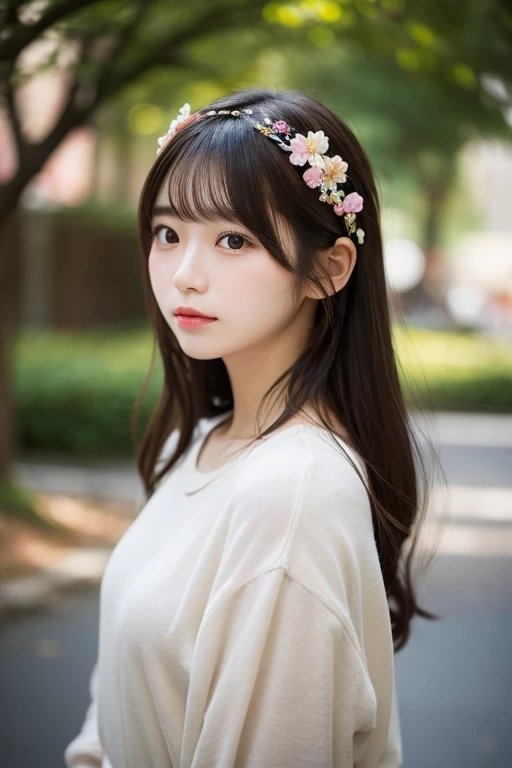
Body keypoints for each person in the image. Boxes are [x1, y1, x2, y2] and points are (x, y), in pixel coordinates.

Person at [64, 87, 442, 768]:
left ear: (327, 270)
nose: (184, 274)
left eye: (233, 239)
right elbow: (116, 705)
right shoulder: (204, 442)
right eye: (167, 233)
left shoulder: (293, 492)